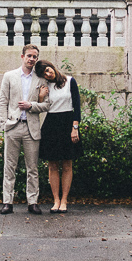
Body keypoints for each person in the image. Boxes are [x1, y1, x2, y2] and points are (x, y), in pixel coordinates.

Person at [0, 44, 49, 214]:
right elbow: (3, 101)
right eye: (29, 56)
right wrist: (3, 123)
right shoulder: (9, 76)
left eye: (35, 56)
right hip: (13, 127)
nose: (32, 59)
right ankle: (7, 202)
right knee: (9, 166)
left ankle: (32, 202)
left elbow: (46, 105)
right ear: (22, 56)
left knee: (32, 168)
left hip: (31, 129)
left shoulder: (41, 80)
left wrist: (31, 105)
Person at [34, 59, 81, 213]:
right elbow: (42, 107)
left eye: (48, 70)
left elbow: (77, 106)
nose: (48, 74)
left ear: (52, 66)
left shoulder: (70, 81)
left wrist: (75, 128)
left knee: (67, 164)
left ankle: (64, 200)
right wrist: (41, 97)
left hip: (68, 123)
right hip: (51, 124)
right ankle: (56, 200)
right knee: (53, 165)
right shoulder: (45, 86)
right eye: (44, 74)